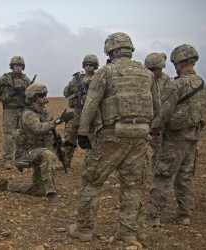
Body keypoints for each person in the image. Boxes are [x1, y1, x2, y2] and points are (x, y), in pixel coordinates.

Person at [68, 32, 159, 244]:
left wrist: (82, 132)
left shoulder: (106, 72)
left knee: (92, 180)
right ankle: (128, 234)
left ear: (110, 52)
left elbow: (91, 103)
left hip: (113, 134)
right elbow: (156, 107)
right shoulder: (147, 74)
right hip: (140, 135)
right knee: (133, 185)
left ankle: (84, 229)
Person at [145, 44, 206, 227]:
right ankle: (184, 215)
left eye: (175, 62)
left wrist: (153, 130)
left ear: (181, 62)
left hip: (175, 138)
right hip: (193, 138)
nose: (174, 66)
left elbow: (164, 112)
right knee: (185, 176)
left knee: (163, 175)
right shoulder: (203, 85)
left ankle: (154, 215)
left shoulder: (177, 85)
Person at [0, 83, 73, 207]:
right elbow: (39, 128)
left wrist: (65, 142)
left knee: (38, 190)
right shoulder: (28, 115)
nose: (45, 97)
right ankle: (52, 196)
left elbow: (50, 133)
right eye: (41, 95)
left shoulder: (44, 113)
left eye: (45, 94)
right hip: (27, 154)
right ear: (34, 97)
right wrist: (58, 120)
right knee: (47, 155)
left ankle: (6, 185)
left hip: (38, 152)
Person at [0, 56, 32, 170]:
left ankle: (21, 157)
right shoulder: (4, 78)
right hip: (10, 110)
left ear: (22, 67)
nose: (17, 68)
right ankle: (8, 159)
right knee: (9, 135)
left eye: (20, 66)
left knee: (23, 135)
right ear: (12, 66)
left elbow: (32, 96)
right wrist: (1, 85)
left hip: (23, 109)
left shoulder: (26, 80)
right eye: (15, 65)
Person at [62, 54, 99, 169]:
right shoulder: (76, 79)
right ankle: (65, 161)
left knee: (91, 138)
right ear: (83, 65)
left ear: (95, 66)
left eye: (91, 65)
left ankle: (90, 164)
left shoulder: (98, 79)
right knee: (70, 137)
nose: (88, 67)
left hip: (91, 113)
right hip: (77, 112)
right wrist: (70, 88)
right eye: (87, 64)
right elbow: (65, 94)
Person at [144, 53, 173, 178]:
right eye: (149, 69)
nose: (152, 72)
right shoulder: (145, 80)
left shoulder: (169, 83)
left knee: (160, 152)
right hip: (146, 121)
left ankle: (157, 177)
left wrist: (155, 130)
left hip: (161, 125)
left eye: (154, 69)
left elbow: (167, 107)